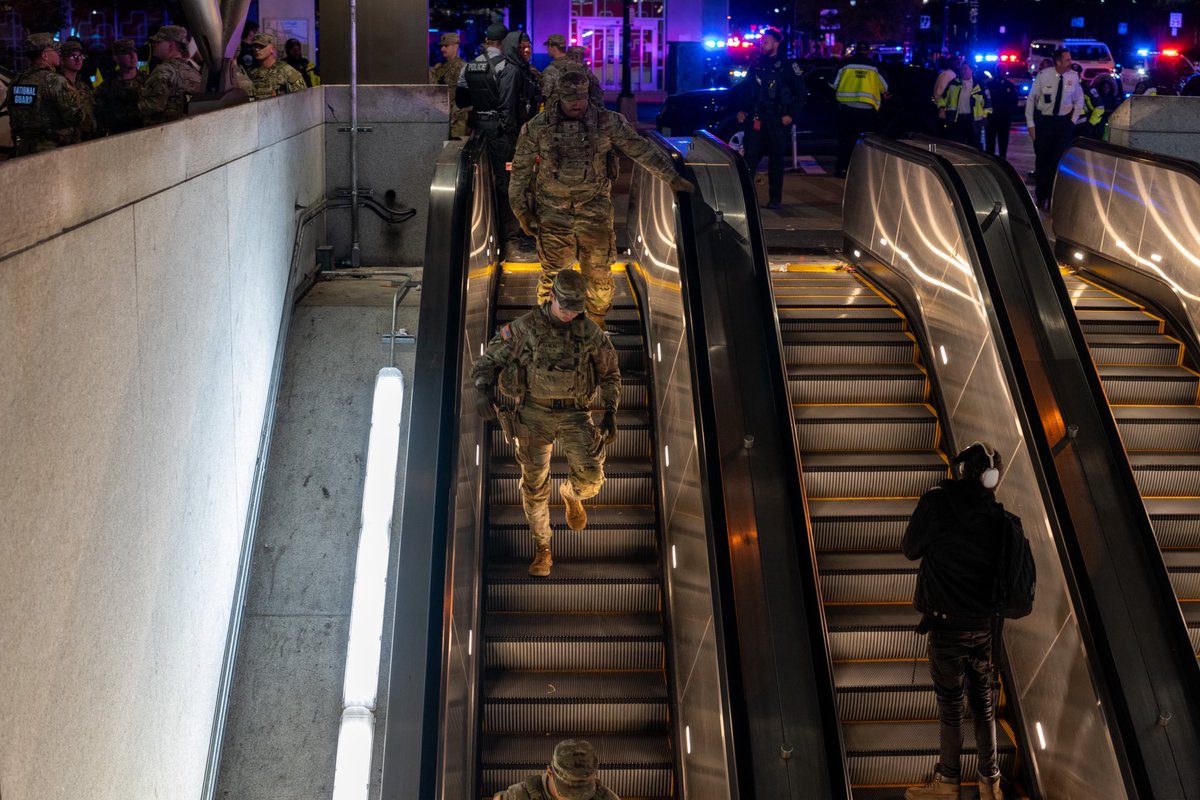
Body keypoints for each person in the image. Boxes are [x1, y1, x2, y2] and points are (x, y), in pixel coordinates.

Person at [509, 71, 695, 328]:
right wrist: (522, 212)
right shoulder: (538, 126)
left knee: (598, 274)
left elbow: (641, 150)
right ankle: (549, 327)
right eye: (569, 98)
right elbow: (520, 170)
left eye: (581, 97)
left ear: (589, 95)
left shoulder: (608, 122)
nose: (576, 103)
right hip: (552, 211)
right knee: (553, 274)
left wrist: (672, 178)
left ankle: (595, 327)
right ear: (558, 97)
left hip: (593, 210)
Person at [472, 270, 621, 578]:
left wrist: (610, 412)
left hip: (576, 413)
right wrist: (482, 390)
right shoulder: (525, 327)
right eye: (565, 305)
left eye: (575, 308)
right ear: (552, 296)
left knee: (592, 478)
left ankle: (571, 494)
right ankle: (543, 547)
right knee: (535, 488)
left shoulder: (589, 332)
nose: (569, 313)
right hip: (533, 414)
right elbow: (488, 360)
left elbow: (609, 374)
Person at [902, 442, 1010, 800]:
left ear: (963, 470)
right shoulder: (998, 516)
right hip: (983, 626)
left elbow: (910, 548)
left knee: (951, 705)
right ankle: (990, 782)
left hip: (946, 625)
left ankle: (948, 781)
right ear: (992, 479)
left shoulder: (937, 502)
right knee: (984, 703)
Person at [457, 23, 529, 257]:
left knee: (481, 183)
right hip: (500, 133)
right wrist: (512, 136)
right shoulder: (507, 67)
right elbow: (507, 106)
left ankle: (484, 236)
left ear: (487, 39)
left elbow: (461, 99)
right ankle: (509, 240)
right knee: (507, 183)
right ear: (504, 41)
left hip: (478, 130)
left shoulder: (468, 65)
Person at [731, 27, 806, 210]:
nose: (762, 44)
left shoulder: (788, 66)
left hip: (777, 120)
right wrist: (740, 110)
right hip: (756, 119)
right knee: (750, 159)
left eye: (766, 41)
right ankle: (746, 199)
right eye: (761, 42)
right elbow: (745, 89)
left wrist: (791, 115)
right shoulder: (756, 65)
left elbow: (801, 94)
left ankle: (775, 199)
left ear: (776, 43)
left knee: (776, 161)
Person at [7, 33, 85, 155]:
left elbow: (13, 114)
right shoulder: (54, 81)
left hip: (23, 149)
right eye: (55, 50)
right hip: (52, 150)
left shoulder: (17, 80)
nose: (59, 53)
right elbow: (76, 116)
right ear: (44, 55)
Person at [1025, 47, 1084, 209]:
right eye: (1067, 60)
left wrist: (1072, 120)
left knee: (1057, 162)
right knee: (1042, 160)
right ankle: (1041, 195)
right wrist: (1031, 124)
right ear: (1058, 62)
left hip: (1062, 125)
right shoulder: (1044, 76)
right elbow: (1031, 100)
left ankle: (1052, 197)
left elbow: (1079, 100)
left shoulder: (1073, 77)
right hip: (1044, 123)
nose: (1070, 63)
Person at [492, 739, 619, 800]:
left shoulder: (607, 798)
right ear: (549, 772)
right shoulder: (518, 796)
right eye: (567, 792)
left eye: (581, 794)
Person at [831, 47, 888, 177]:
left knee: (845, 141)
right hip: (866, 111)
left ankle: (842, 170)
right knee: (864, 144)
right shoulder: (875, 66)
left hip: (847, 109)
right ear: (868, 52)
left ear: (856, 50)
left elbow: (832, 83)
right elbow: (885, 86)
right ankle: (862, 172)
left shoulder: (845, 64)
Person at [138, 25, 202, 125]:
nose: (154, 44)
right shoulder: (193, 71)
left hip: (162, 132)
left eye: (159, 42)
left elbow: (152, 106)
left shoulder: (164, 70)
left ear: (171, 45)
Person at [938, 62, 989, 149]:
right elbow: (943, 98)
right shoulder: (954, 83)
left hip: (973, 122)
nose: (963, 71)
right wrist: (941, 108)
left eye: (965, 69)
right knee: (957, 146)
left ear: (971, 70)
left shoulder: (979, 85)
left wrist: (983, 117)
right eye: (962, 69)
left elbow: (987, 103)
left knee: (973, 147)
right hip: (957, 120)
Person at [429, 32, 468, 138]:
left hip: (456, 120)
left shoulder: (461, 67)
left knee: (454, 151)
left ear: (456, 46)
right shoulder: (443, 67)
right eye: (442, 46)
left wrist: (455, 115)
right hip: (444, 116)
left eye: (446, 46)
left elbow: (466, 97)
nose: (442, 49)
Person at [58, 40, 98, 139]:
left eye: (81, 56)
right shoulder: (57, 86)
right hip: (66, 142)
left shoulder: (83, 86)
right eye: (73, 56)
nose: (78, 60)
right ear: (62, 60)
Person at [248, 33, 306, 100]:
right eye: (255, 46)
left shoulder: (287, 71)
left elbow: (302, 98)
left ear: (272, 49)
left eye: (261, 46)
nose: (257, 49)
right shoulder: (251, 72)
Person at [985, 66, 1018, 159]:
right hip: (992, 117)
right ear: (996, 71)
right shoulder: (990, 84)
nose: (1001, 73)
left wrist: (1008, 110)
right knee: (990, 141)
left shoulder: (1009, 85)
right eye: (1000, 71)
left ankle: (1002, 159)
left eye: (1003, 71)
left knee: (1003, 141)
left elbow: (1014, 100)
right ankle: (989, 159)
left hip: (1004, 118)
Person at [1083, 73, 1119, 139]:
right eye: (1104, 87)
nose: (1106, 89)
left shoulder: (1113, 98)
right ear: (1101, 87)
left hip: (1110, 119)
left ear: (1111, 88)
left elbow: (1117, 108)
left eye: (1108, 87)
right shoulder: (1097, 97)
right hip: (1099, 120)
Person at [538, 33, 569, 101]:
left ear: (553, 48)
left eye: (548, 47)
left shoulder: (550, 70)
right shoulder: (575, 65)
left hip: (556, 110)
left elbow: (544, 94)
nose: (547, 50)